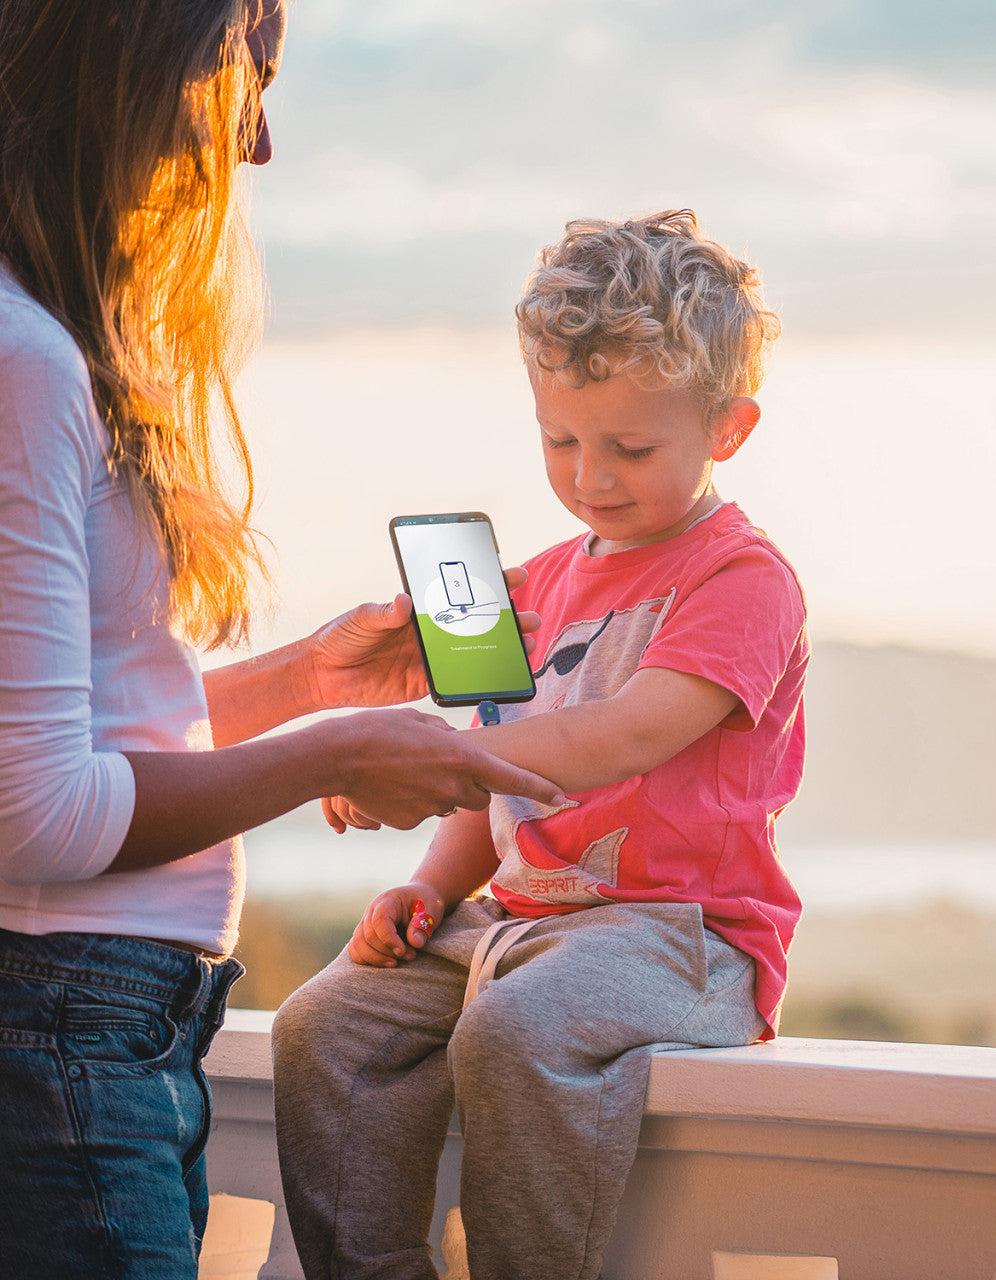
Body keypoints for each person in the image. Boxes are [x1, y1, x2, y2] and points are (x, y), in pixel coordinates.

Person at [0, 4, 563, 1277]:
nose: (256, 143)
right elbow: (33, 812)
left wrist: (310, 678)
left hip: (104, 1027)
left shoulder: (45, 342)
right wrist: (335, 753)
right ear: (127, 52)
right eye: (240, 73)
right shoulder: (26, 361)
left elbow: (79, 723)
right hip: (62, 1027)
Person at [271, 209, 809, 1280]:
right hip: (515, 924)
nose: (590, 476)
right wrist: (429, 884)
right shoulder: (538, 583)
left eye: (630, 448)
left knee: (512, 1031)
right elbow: (497, 774)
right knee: (323, 1024)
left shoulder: (740, 577)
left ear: (728, 428)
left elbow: (627, 733)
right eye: (560, 440)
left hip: (681, 937)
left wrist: (424, 763)